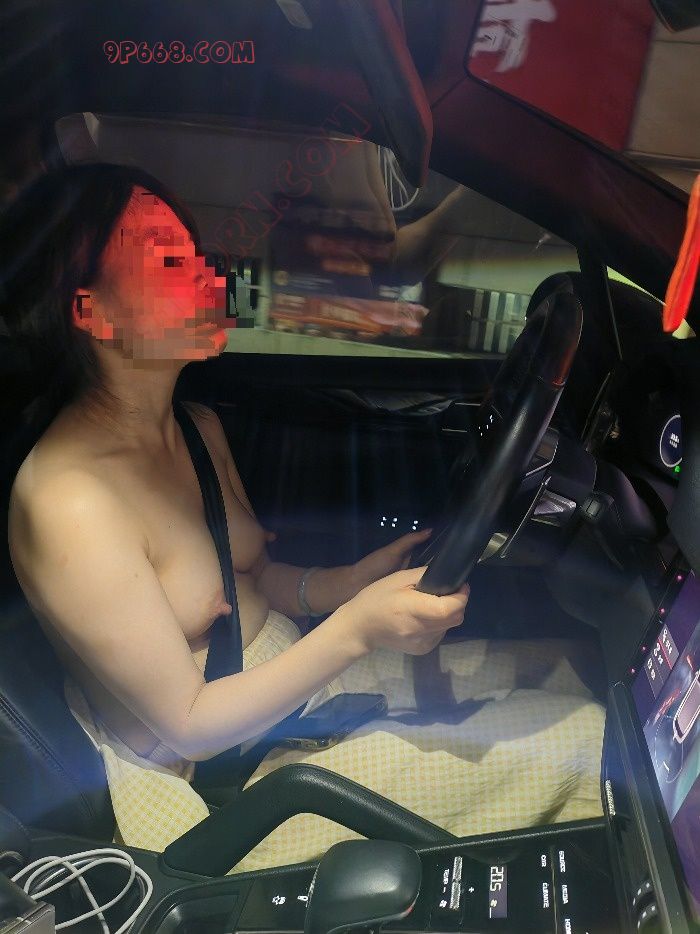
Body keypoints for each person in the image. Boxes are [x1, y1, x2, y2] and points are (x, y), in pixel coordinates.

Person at [3, 163, 605, 873]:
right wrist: (355, 629)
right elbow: (190, 725)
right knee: (586, 741)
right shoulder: (68, 502)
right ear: (94, 315)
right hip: (228, 794)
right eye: (170, 260)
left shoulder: (195, 425)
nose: (208, 274)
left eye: (196, 253)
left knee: (575, 668)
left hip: (301, 696)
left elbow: (254, 582)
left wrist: (348, 583)